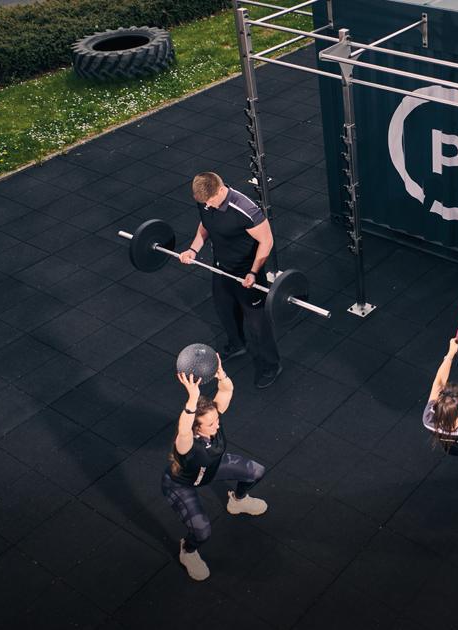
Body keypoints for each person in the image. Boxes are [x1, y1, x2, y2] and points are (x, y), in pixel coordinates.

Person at [162, 355, 268, 581]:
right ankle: (187, 551)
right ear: (197, 428)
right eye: (211, 424)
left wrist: (222, 375)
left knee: (256, 472)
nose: (217, 425)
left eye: (217, 420)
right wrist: (192, 399)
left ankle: (238, 501)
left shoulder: (214, 422)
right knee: (202, 531)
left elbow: (227, 391)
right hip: (181, 485)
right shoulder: (186, 443)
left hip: (212, 469)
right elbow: (183, 429)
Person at [180, 171, 281, 389]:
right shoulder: (206, 201)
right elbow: (205, 224)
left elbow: (267, 241)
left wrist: (253, 272)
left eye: (209, 201)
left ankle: (271, 365)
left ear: (220, 190)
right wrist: (193, 249)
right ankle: (237, 344)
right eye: (203, 203)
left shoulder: (245, 210)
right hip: (221, 267)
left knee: (257, 324)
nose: (207, 205)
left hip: (247, 272)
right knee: (224, 309)